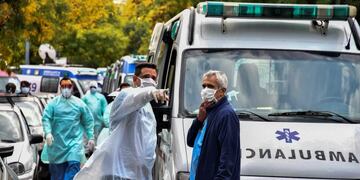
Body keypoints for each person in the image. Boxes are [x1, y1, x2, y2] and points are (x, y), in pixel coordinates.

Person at [74, 63, 169, 180]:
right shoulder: (124, 96)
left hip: (139, 174)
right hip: (119, 172)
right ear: (135, 79)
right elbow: (135, 97)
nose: (150, 80)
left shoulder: (147, 107)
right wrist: (150, 92)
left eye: (153, 78)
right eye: (146, 77)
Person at [187, 70, 240, 180]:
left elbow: (228, 158)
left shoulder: (226, 115)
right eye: (204, 86)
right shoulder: (207, 111)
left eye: (210, 86)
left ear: (222, 91)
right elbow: (190, 141)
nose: (205, 90)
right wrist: (198, 120)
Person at [41, 77, 95, 180]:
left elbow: (88, 121)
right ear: (60, 88)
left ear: (72, 87)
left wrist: (91, 137)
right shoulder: (53, 104)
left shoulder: (80, 104)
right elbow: (46, 119)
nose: (66, 88)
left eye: (69, 86)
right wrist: (48, 133)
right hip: (57, 145)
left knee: (73, 168)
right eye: (63, 86)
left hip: (74, 144)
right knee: (58, 176)